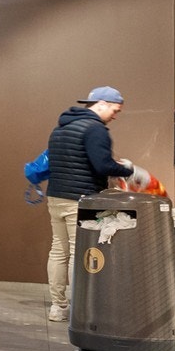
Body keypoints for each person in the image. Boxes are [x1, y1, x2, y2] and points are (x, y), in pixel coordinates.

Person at [44, 86, 132, 322]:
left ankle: (58, 306)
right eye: (115, 110)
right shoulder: (95, 129)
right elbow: (102, 165)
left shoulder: (60, 128)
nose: (115, 115)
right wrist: (127, 169)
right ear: (101, 104)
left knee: (58, 251)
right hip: (80, 200)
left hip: (56, 197)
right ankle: (79, 309)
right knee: (77, 252)